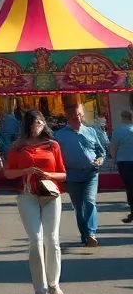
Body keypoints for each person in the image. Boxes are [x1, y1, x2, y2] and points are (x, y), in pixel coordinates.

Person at [3, 109, 67, 294]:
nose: (36, 126)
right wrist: (26, 170)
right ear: (26, 126)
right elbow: (8, 173)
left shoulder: (52, 145)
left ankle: (54, 283)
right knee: (36, 240)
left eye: (39, 122)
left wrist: (48, 175)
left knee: (52, 239)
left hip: (51, 194)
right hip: (27, 195)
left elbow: (63, 174)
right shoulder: (18, 147)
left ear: (43, 123)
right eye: (32, 123)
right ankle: (40, 288)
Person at [54, 103, 106, 247]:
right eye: (73, 116)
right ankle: (84, 235)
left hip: (91, 173)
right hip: (72, 175)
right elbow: (55, 156)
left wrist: (100, 159)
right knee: (78, 206)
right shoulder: (59, 136)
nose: (76, 118)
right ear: (67, 118)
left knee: (89, 201)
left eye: (78, 115)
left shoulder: (90, 131)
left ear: (81, 115)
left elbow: (101, 151)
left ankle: (91, 233)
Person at [111, 108, 133, 223]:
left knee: (130, 187)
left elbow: (114, 147)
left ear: (123, 118)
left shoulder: (118, 131)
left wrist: (113, 159)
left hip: (124, 162)